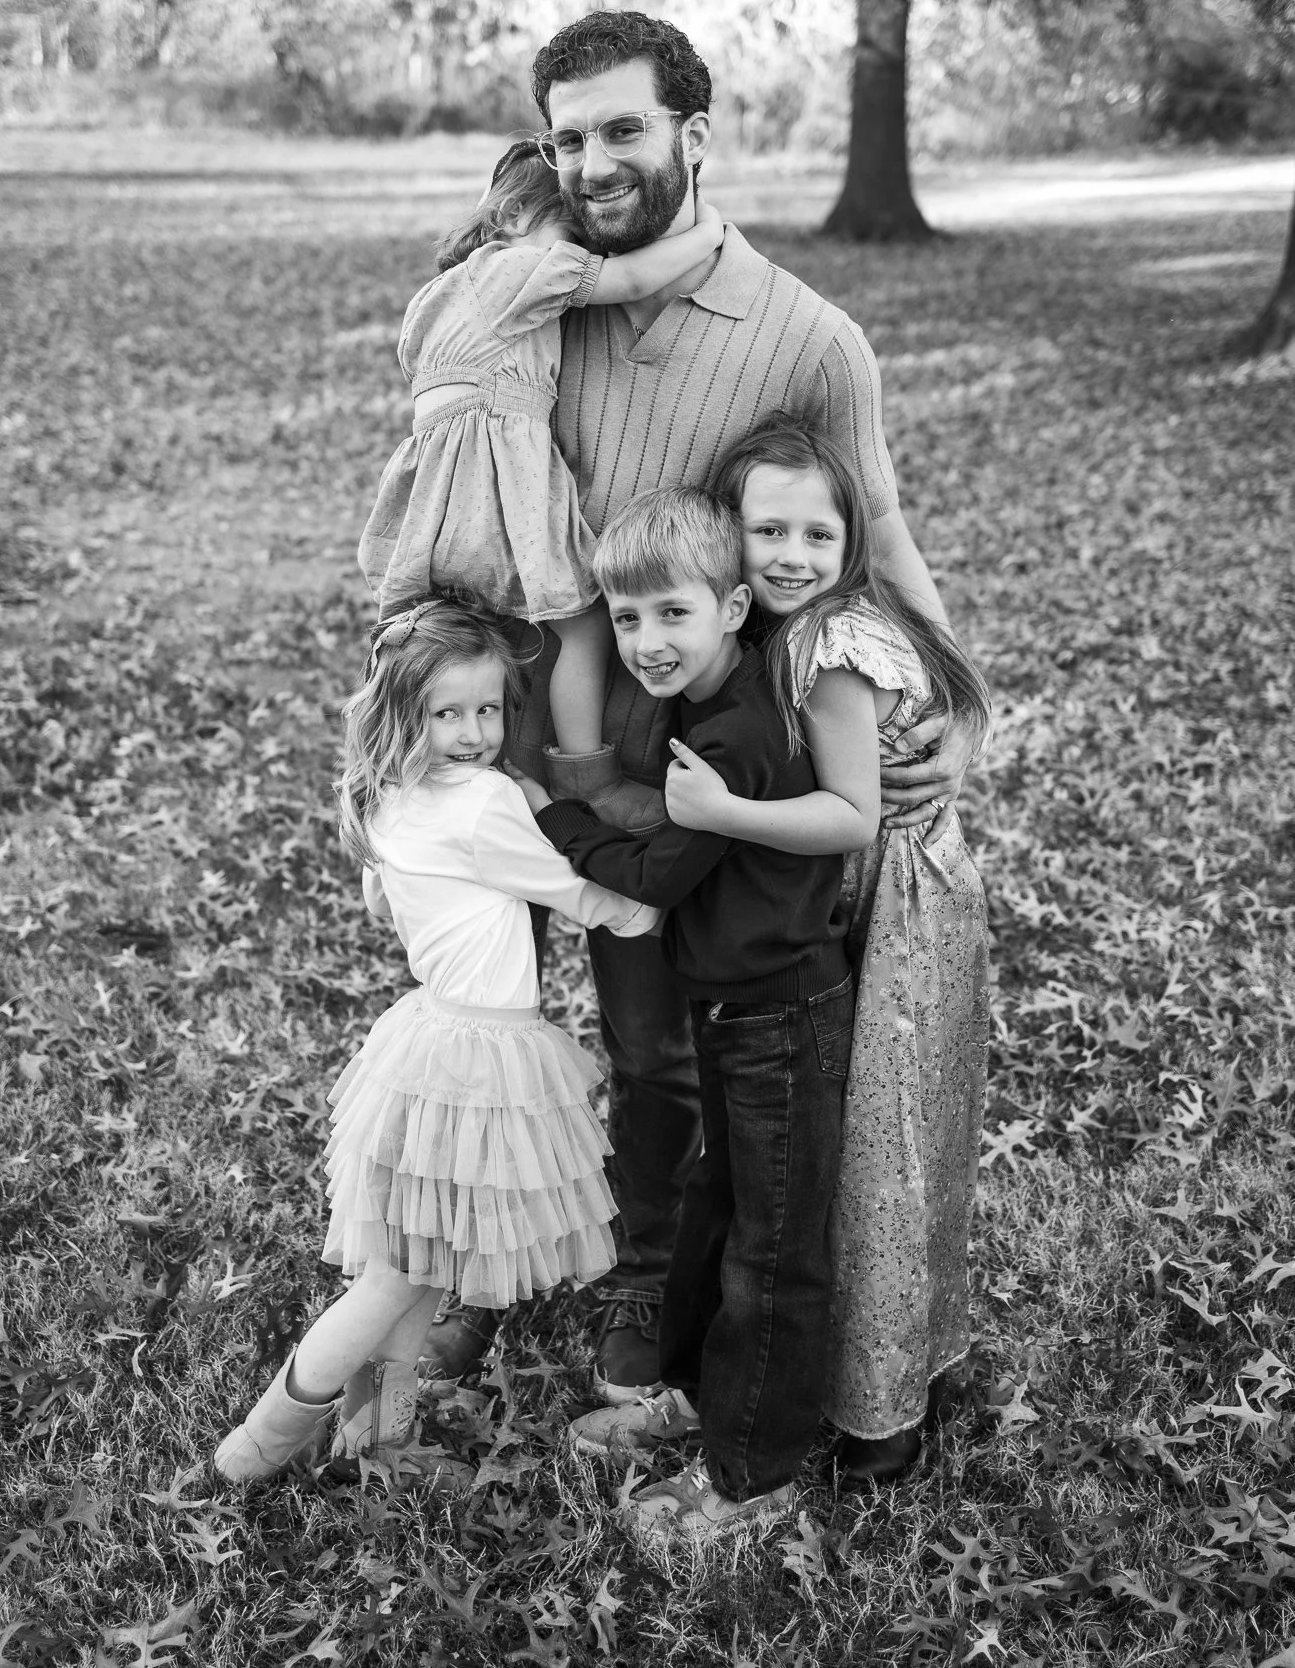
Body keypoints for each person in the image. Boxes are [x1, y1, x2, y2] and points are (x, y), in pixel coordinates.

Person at [403, 11, 977, 1392]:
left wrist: (963, 698)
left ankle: (649, 1268)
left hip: (666, 763)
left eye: (623, 129)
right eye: (568, 137)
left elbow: (878, 529)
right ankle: (480, 1260)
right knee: (473, 1014)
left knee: (654, 1043)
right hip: (490, 730)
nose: (593, 163)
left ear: (694, 134)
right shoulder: (533, 291)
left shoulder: (809, 339)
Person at [213, 595, 660, 1484]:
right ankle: (250, 1454)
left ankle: (381, 1443)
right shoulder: (488, 800)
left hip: (424, 1046)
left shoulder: (387, 797)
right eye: (446, 713)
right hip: (478, 1060)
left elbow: (387, 898)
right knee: (390, 1280)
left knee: (419, 1268)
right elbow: (578, 895)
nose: (473, 732)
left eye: (488, 710)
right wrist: (655, 903)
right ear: (401, 712)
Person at [513, 486, 877, 1539]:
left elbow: (656, 874)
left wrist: (557, 815)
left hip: (783, 1017)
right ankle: (695, 1390)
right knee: (715, 1211)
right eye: (627, 619)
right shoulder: (710, 699)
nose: (646, 642)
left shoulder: (738, 734)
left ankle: (752, 1475)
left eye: (672, 613)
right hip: (731, 1007)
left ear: (732, 608)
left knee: (772, 1251)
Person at [664, 412, 993, 1484]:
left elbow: (851, 818)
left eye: (818, 533)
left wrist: (720, 812)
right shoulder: (810, 628)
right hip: (911, 888)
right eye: (769, 531)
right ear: (732, 532)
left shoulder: (827, 646)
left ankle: (880, 1417)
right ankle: (882, 1376)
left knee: (879, 1151)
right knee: (878, 1144)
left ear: (852, 539)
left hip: (895, 901)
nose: (792, 555)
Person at [358, 136, 725, 832]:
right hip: (498, 495)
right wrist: (709, 232)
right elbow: (628, 282)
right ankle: (591, 780)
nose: (584, 256)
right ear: (514, 217)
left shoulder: (438, 296)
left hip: (434, 507)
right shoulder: (513, 271)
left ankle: (397, 774)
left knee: (444, 647)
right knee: (583, 628)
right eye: (572, 236)